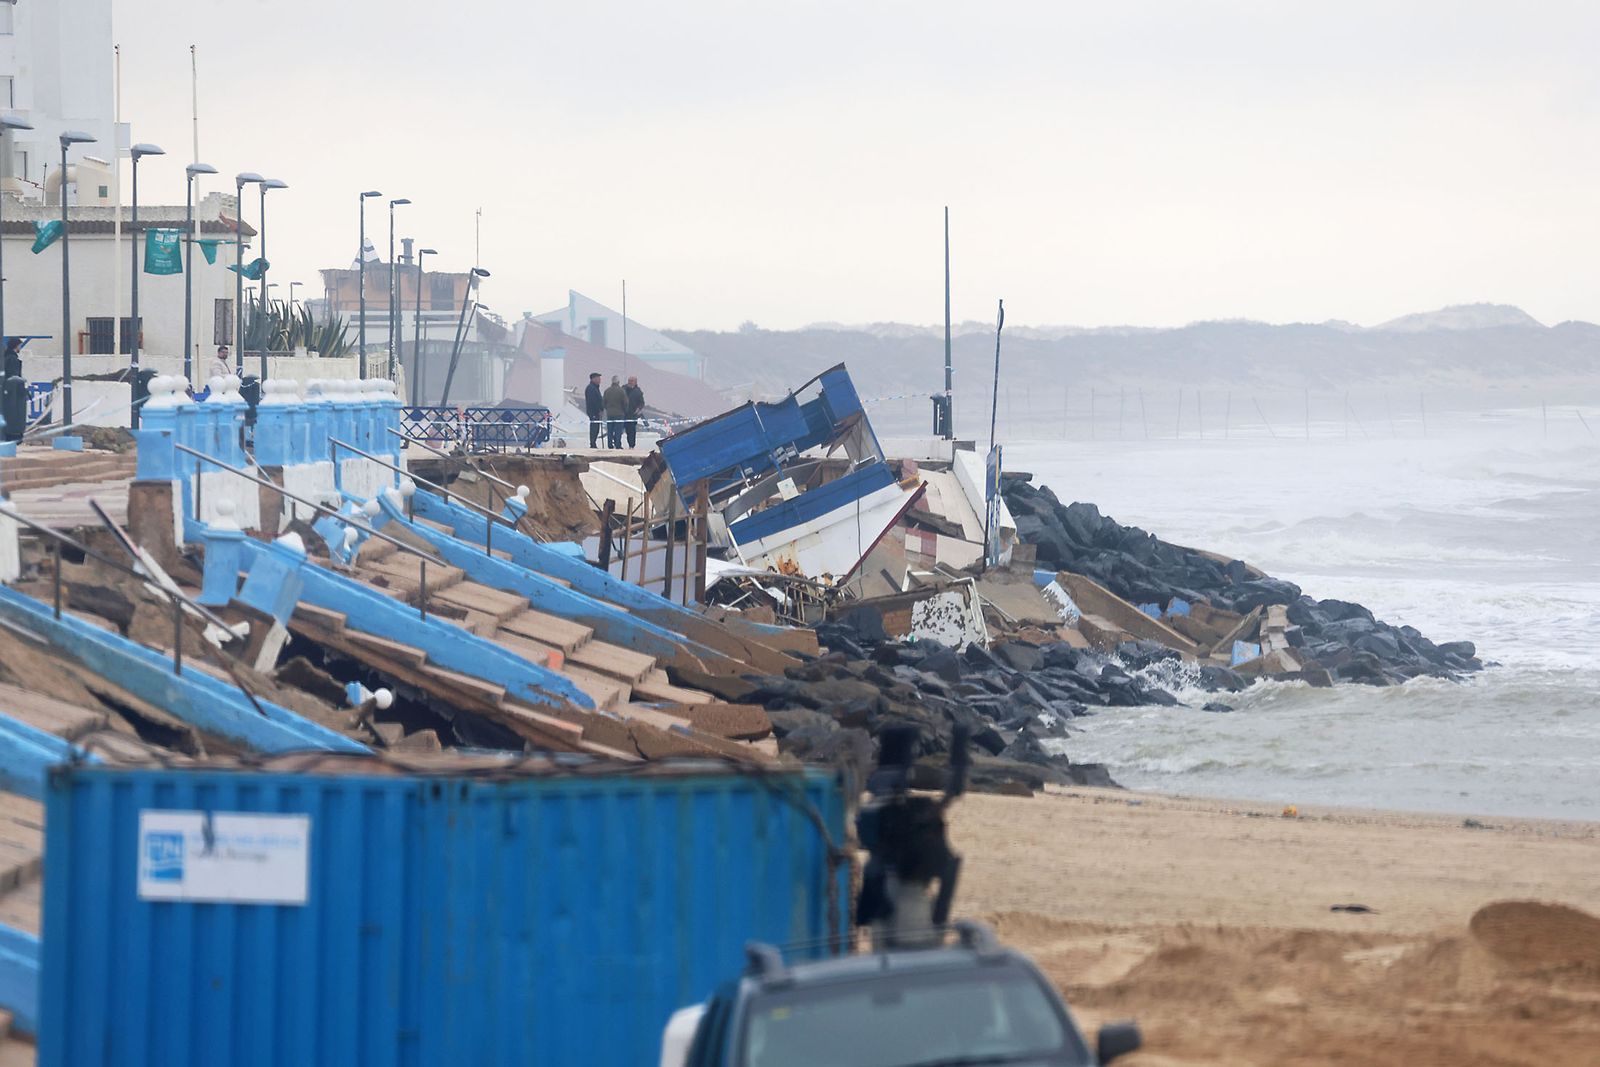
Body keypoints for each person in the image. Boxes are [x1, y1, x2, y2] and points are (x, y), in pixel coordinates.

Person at [602, 374, 627, 449]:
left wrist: (607, 409)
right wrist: (624, 410)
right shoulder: (621, 391)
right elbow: (625, 402)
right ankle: (618, 445)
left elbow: (603, 402)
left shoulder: (607, 391)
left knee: (610, 430)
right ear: (618, 382)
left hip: (609, 414)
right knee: (618, 431)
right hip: (619, 414)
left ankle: (610, 445)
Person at [623, 375, 645, 448]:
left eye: (632, 381)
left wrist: (638, 409)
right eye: (629, 380)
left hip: (632, 415)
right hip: (623, 414)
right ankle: (617, 445)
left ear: (635, 382)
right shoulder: (623, 389)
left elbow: (641, 403)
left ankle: (631, 445)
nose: (630, 382)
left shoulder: (638, 391)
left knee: (631, 431)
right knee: (619, 430)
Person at [584, 371, 605, 448]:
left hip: (596, 412)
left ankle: (593, 442)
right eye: (598, 378)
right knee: (594, 428)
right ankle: (592, 443)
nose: (600, 380)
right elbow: (593, 401)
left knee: (596, 428)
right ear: (593, 379)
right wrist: (598, 410)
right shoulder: (591, 388)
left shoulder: (595, 388)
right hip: (593, 412)